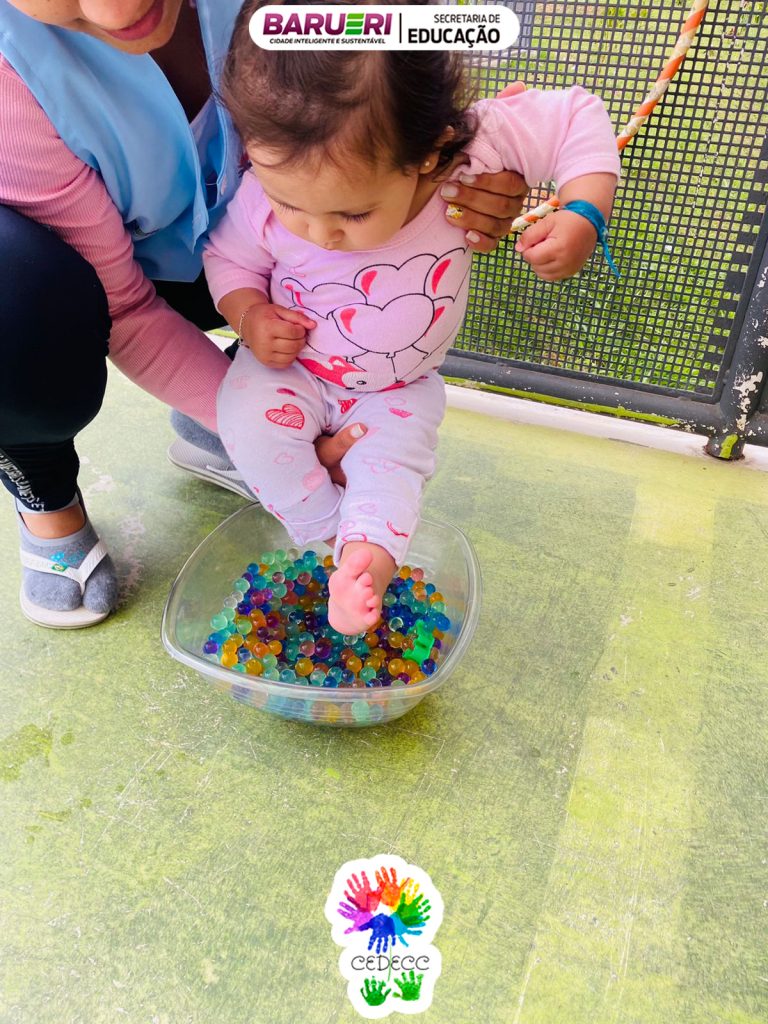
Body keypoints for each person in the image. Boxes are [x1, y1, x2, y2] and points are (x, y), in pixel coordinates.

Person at [0, 0, 529, 629]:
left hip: (279, 269)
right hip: (119, 276)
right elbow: (128, 309)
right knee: (12, 303)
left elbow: (404, 77)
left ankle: (240, 418)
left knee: (319, 251)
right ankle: (43, 489)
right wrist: (246, 415)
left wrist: (462, 165)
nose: (119, 10)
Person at [204, 0, 621, 635]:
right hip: (293, 371)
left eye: (352, 214)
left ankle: (363, 567)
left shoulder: (476, 151)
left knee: (390, 476)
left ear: (429, 154)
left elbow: (574, 117)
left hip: (400, 390)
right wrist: (249, 313)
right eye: (288, 202)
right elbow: (228, 257)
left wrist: (584, 211)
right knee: (249, 426)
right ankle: (327, 537)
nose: (318, 232)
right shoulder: (266, 190)